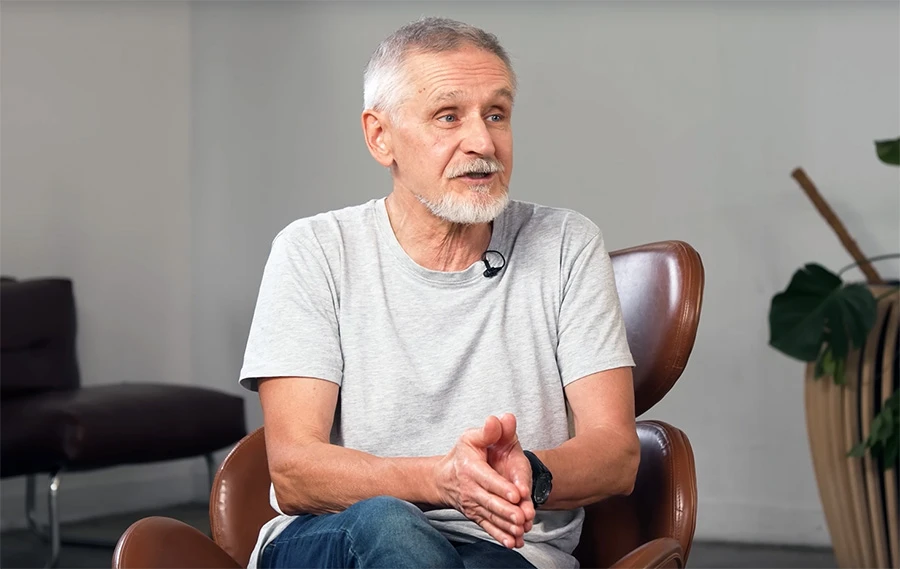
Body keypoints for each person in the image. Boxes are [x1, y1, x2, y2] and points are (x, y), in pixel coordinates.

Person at [238, 16, 640, 569]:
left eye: (496, 114)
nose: (483, 142)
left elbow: (617, 455)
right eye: (448, 116)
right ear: (380, 137)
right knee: (390, 525)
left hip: (504, 547)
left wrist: (529, 471)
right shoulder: (315, 250)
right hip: (339, 533)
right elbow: (294, 471)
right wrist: (439, 480)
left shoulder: (566, 243)